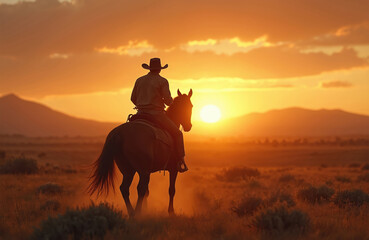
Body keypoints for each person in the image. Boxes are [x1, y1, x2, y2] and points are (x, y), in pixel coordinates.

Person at [131, 58, 188, 173]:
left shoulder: (139, 80)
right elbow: (168, 101)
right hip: (156, 114)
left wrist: (143, 104)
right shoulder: (162, 81)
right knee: (177, 133)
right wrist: (169, 101)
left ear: (149, 68)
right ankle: (180, 161)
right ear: (160, 69)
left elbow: (133, 98)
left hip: (140, 114)